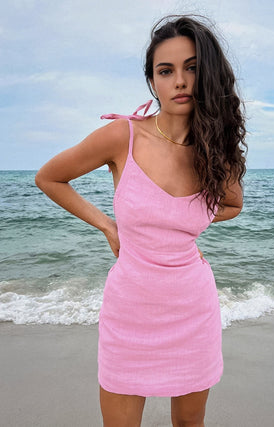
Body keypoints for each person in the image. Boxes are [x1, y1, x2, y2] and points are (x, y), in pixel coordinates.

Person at [35, 14, 246, 427]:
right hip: (130, 308)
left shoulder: (217, 151)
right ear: (153, 81)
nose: (180, 81)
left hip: (192, 306)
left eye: (192, 68)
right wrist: (108, 225)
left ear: (210, 75)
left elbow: (233, 204)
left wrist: (183, 226)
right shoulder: (123, 136)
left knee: (188, 424)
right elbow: (50, 177)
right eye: (165, 71)